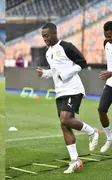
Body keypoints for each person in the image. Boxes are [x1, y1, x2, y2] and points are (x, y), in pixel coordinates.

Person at [36, 22, 99, 174]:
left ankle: (92, 131)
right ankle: (75, 160)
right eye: (43, 36)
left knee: (65, 119)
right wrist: (45, 73)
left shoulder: (66, 46)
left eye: (47, 35)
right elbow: (55, 70)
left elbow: (81, 63)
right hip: (60, 92)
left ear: (54, 33)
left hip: (73, 89)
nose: (44, 39)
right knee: (64, 125)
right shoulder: (48, 52)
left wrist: (66, 75)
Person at [97, 21, 112, 153]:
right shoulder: (105, 43)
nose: (107, 39)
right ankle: (109, 137)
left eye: (110, 36)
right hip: (110, 84)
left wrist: (111, 73)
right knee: (102, 110)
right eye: (106, 36)